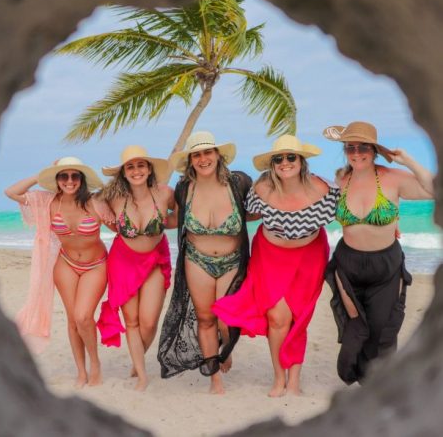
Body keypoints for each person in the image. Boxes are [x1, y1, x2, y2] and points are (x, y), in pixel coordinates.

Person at [213, 134, 339, 397]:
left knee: (297, 318)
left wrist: (390, 224)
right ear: (272, 164)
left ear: (301, 161)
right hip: (270, 257)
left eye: (291, 157)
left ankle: (294, 380)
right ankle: (279, 377)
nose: (285, 162)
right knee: (277, 318)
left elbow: (354, 213)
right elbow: (237, 214)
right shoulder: (262, 189)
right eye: (279, 158)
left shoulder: (325, 189)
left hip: (309, 258)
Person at [322, 121, 434, 384]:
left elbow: (433, 188)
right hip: (347, 264)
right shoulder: (341, 179)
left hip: (385, 265)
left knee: (382, 328)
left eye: (363, 147)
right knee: (356, 327)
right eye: (351, 147)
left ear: (374, 150)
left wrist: (407, 160)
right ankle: (358, 377)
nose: (357, 152)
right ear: (345, 150)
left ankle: (378, 381)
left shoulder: (392, 178)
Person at [157, 131, 252, 395]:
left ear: (218, 155)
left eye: (207, 152)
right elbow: (175, 219)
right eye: (196, 154)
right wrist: (141, 222)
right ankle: (215, 379)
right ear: (190, 160)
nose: (202, 159)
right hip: (196, 259)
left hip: (233, 260)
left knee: (226, 318)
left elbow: (257, 209)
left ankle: (225, 347)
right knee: (205, 318)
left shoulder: (239, 183)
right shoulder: (184, 188)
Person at [5, 156, 109, 388]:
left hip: (96, 265)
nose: (69, 181)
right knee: (73, 320)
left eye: (74, 176)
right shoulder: (47, 201)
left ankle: (96, 364)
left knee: (83, 316)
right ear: (57, 179)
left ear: (81, 179)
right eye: (63, 176)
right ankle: (81, 372)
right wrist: (41, 175)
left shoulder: (95, 202)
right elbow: (12, 192)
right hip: (65, 264)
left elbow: (120, 222)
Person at [96, 145, 174, 391]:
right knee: (132, 321)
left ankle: (137, 358)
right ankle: (141, 374)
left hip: (154, 260)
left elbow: (183, 216)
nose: (136, 170)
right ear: (124, 172)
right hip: (123, 261)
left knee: (149, 322)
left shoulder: (164, 193)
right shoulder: (113, 196)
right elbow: (89, 202)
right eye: (130, 166)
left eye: (141, 165)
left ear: (149, 168)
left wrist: (162, 223)